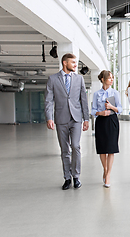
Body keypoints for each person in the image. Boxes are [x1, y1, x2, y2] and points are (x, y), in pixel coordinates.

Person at [45, 53, 89, 190]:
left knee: (75, 146)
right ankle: (67, 178)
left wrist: (86, 118)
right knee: (65, 150)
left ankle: (76, 176)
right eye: (73, 62)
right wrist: (49, 117)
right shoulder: (53, 79)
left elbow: (84, 100)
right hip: (61, 118)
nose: (76, 65)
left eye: (76, 63)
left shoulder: (79, 79)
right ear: (65, 63)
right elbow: (48, 100)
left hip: (76, 119)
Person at [91, 70, 122, 188]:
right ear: (103, 79)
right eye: (109, 78)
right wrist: (100, 113)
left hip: (112, 121)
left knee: (111, 149)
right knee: (102, 149)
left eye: (112, 78)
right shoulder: (96, 94)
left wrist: (111, 107)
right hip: (101, 121)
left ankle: (108, 174)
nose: (112, 80)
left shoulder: (115, 92)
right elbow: (93, 110)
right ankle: (105, 169)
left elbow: (120, 109)